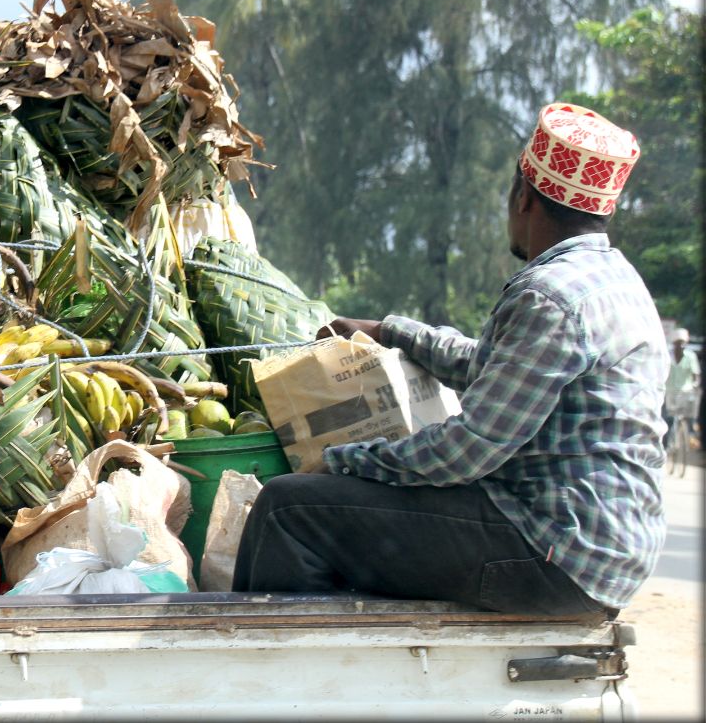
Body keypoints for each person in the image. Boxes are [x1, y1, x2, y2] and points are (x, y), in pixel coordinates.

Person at [234, 103, 668, 618]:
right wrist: (391, 331)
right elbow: (492, 369)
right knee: (334, 506)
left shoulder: (549, 297)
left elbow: (467, 452)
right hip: (606, 551)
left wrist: (339, 460)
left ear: (523, 196)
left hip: (553, 553)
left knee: (288, 508)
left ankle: (286, 685)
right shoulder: (616, 281)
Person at [665, 327, 700, 434]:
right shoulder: (667, 356)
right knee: (668, 420)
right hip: (669, 392)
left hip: (686, 392)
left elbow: (696, 375)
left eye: (683, 343)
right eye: (678, 343)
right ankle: (667, 445)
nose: (680, 346)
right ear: (674, 343)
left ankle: (691, 435)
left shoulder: (691, 356)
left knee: (690, 418)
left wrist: (695, 385)